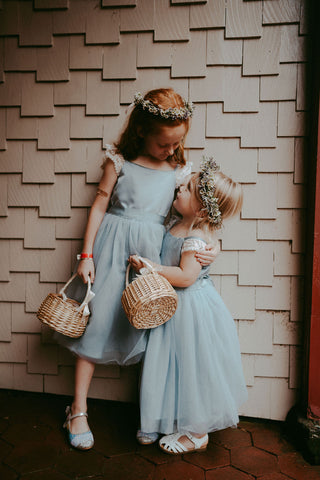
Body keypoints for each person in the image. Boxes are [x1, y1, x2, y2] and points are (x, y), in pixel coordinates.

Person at [56, 88, 216, 450]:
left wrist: (212, 246)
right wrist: (86, 255)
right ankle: (77, 408)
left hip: (151, 256)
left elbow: (194, 216)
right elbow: (99, 205)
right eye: (164, 143)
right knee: (94, 325)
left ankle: (153, 414)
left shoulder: (178, 170)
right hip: (111, 250)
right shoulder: (120, 161)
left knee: (151, 329)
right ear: (142, 130)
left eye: (177, 143)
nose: (171, 150)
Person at [129, 157, 248, 454]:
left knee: (192, 368)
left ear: (202, 208)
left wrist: (151, 267)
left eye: (187, 189)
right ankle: (161, 420)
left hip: (191, 309)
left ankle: (196, 433)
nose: (179, 190)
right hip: (173, 307)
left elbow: (185, 276)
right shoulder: (181, 223)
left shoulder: (196, 236)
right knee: (167, 366)